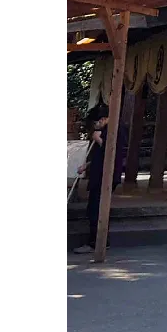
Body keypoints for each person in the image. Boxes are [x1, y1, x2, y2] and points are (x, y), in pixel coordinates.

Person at [73, 103, 110, 254]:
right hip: (96, 173)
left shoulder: (114, 131)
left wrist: (99, 140)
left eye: (96, 122)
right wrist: (86, 166)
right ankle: (96, 240)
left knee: (96, 210)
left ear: (102, 119)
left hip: (105, 177)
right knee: (93, 208)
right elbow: (98, 156)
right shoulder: (102, 131)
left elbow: (111, 152)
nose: (95, 125)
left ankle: (97, 243)